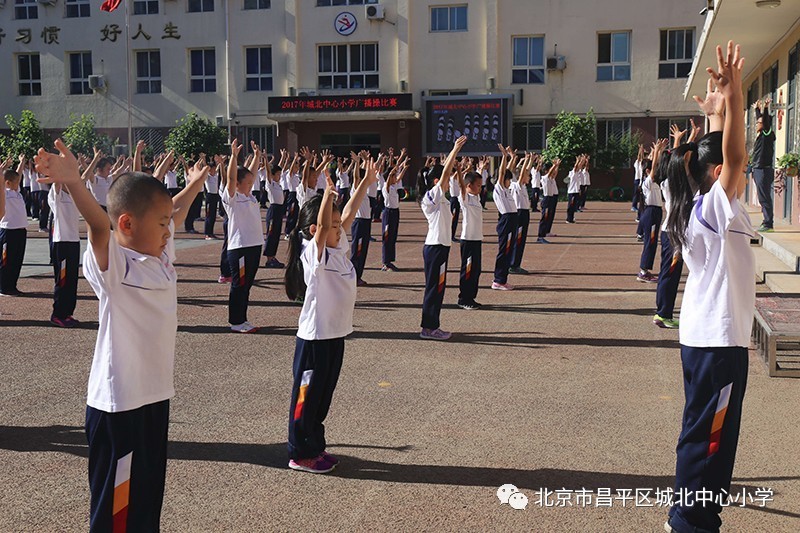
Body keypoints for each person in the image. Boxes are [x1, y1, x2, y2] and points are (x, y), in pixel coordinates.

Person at [34, 138, 207, 532]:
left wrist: (194, 184)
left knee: (146, 501)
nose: (169, 231)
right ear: (127, 224)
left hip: (153, 398)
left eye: (167, 224)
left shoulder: (158, 257)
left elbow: (172, 210)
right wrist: (76, 182)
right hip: (118, 406)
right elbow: (98, 225)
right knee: (117, 511)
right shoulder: (115, 264)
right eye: (162, 225)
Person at [663, 41, 753, 533]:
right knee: (709, 440)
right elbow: (733, 160)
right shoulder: (713, 209)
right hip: (717, 345)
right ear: (716, 177)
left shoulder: (699, 205)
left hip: (710, 340)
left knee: (704, 432)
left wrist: (718, 112)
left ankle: (689, 517)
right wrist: (736, 99)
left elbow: (720, 158)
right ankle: (692, 524)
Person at [284, 156, 376, 474]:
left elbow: (347, 214)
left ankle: (315, 446)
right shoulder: (314, 254)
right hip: (314, 338)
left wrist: (365, 181)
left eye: (339, 227)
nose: (339, 229)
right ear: (315, 230)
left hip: (335, 336)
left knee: (323, 397)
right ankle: (299, 451)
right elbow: (325, 225)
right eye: (333, 227)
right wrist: (326, 194)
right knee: (306, 397)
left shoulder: (338, 251)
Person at [653, 121, 700, 329]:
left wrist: (683, 140)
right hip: (673, 234)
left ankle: (664, 312)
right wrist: (684, 141)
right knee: (670, 274)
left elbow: (680, 159)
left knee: (669, 273)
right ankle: (663, 314)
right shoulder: (674, 181)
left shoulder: (666, 181)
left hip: (670, 232)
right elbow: (682, 160)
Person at [418, 136, 466, 340]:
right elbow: (446, 173)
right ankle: (428, 328)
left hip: (441, 248)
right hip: (435, 248)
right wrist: (454, 150)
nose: (449, 182)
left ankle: (432, 326)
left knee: (438, 288)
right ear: (437, 181)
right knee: (434, 288)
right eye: (446, 179)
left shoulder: (442, 198)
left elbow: (448, 174)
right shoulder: (431, 196)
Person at [222, 140, 263, 333]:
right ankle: (236, 322)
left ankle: (243, 319)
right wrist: (233, 157)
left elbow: (251, 174)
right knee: (239, 285)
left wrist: (256, 157)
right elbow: (230, 179)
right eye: (247, 182)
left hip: (254, 246)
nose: (251, 184)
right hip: (240, 248)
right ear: (237, 184)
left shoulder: (249, 196)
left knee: (246, 286)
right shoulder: (232, 198)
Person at [637, 139, 668, 283]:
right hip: (650, 213)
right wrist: (656, 151)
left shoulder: (653, 182)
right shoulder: (647, 182)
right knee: (650, 242)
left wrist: (660, 151)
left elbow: (656, 165)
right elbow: (654, 165)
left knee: (653, 242)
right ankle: (643, 272)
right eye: (653, 169)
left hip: (655, 213)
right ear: (648, 171)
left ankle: (645, 270)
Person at [456, 157, 484, 310]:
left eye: (480, 185)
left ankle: (471, 297)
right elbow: (461, 185)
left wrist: (480, 169)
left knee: (476, 270)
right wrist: (460, 169)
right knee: (467, 269)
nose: (480, 188)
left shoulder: (476, 197)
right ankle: (463, 298)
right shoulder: (465, 198)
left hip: (477, 239)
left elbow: (475, 180)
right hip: (467, 239)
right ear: (469, 186)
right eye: (478, 185)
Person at [491, 145, 520, 290]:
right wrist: (503, 157)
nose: (510, 182)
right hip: (506, 221)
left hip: (512, 220)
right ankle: (498, 280)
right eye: (508, 179)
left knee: (508, 251)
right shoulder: (499, 188)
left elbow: (508, 171)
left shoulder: (506, 190)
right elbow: (503, 173)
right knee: (504, 251)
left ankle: (502, 279)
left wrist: (512, 158)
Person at [0, 157, 27, 296]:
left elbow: (18, 174)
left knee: (17, 261)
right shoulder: (4, 193)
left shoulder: (16, 193)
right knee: (6, 261)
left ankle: (12, 286)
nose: (19, 183)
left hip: (20, 231)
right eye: (16, 182)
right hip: (8, 232)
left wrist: (21, 162)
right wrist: (1, 170)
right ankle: (4, 287)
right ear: (7, 183)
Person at [751, 96, 776, 232]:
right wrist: (757, 110)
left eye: (758, 123)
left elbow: (765, 122)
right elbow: (761, 120)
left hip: (763, 169)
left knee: (764, 197)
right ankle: (766, 221)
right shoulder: (761, 136)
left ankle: (768, 223)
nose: (757, 124)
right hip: (758, 168)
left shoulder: (767, 134)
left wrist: (765, 108)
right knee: (762, 197)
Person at [381, 156, 408, 272]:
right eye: (392, 176)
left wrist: (404, 168)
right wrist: (391, 171)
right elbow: (387, 182)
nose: (395, 178)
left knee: (392, 237)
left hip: (395, 213)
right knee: (386, 238)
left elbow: (399, 177)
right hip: (388, 213)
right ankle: (385, 262)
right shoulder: (385, 187)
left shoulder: (394, 185)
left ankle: (390, 261)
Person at [509, 153, 534, 274]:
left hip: (524, 214)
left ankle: (516, 263)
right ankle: (513, 265)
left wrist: (530, 160)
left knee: (521, 240)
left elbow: (526, 170)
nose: (529, 177)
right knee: (517, 240)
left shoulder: (522, 186)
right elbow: (523, 171)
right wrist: (525, 163)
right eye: (527, 175)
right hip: (519, 214)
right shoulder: (516, 185)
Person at [536, 158, 561, 243]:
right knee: (544, 218)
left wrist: (557, 166)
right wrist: (554, 165)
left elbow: (554, 174)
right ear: (546, 171)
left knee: (549, 217)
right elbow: (551, 173)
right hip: (546, 200)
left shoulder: (550, 178)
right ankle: (540, 236)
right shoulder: (545, 178)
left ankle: (546, 232)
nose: (553, 172)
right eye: (551, 170)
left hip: (550, 199)